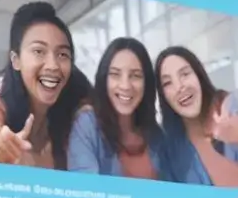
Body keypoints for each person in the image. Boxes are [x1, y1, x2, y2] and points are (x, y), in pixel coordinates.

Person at [0, 1, 92, 170]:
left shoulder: (76, 100)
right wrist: (0, 152)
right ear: (16, 60)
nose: (53, 65)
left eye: (63, 54)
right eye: (38, 51)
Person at [155, 46, 238, 187]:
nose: (179, 86)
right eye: (167, 83)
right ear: (163, 95)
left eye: (185, 74)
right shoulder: (167, 148)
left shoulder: (224, 106)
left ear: (198, 75)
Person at [67, 37, 168, 180]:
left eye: (135, 76)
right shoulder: (87, 125)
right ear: (104, 79)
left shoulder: (156, 135)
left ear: (147, 83)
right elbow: (85, 192)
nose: (125, 85)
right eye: (115, 74)